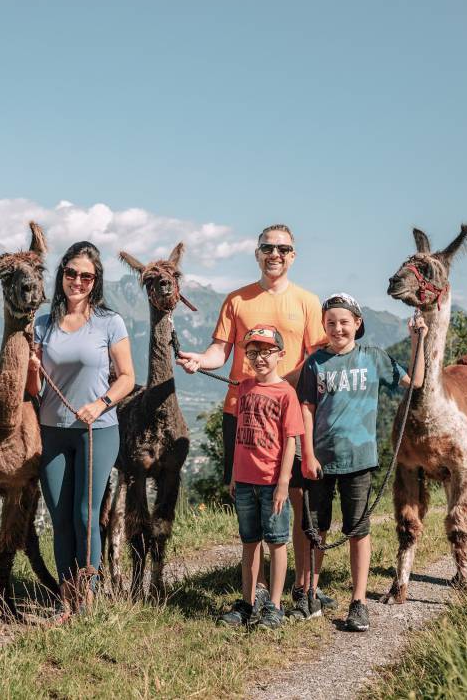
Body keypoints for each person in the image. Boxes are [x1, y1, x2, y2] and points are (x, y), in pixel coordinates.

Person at [175, 224, 325, 558]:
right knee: (247, 498)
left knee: (297, 497)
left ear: (293, 256)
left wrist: (281, 385)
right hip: (241, 412)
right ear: (257, 254)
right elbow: (220, 351)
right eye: (268, 248)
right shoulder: (237, 300)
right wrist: (200, 360)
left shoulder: (307, 302)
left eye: (283, 249)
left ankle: (300, 587)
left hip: (289, 414)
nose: (275, 254)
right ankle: (254, 590)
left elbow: (316, 357)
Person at [293, 293, 427, 631]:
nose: (337, 328)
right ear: (324, 326)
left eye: (344, 322)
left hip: (359, 459)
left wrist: (417, 341)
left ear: (357, 324)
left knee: (357, 530)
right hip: (319, 460)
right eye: (331, 322)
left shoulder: (373, 358)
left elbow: (416, 381)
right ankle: (310, 592)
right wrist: (306, 453)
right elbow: (306, 411)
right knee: (315, 529)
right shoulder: (314, 363)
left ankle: (358, 601)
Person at [28, 241, 135, 620]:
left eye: (85, 276)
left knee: (86, 515)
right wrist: (30, 365)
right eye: (71, 273)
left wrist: (101, 404)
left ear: (96, 281)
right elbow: (32, 389)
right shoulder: (42, 323)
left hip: (98, 431)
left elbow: (127, 378)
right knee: (60, 516)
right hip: (53, 430)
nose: (77, 281)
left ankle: (87, 595)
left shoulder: (110, 322)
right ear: (61, 276)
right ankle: (65, 595)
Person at [215, 325, 303, 630]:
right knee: (249, 542)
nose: (259, 358)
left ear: (280, 355)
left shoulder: (286, 393)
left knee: (277, 542)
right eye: (252, 353)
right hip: (245, 482)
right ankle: (248, 601)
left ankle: (275, 605)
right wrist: (235, 476)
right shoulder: (245, 388)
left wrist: (282, 484)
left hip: (271, 483)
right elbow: (241, 435)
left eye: (266, 352)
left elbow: (291, 440)